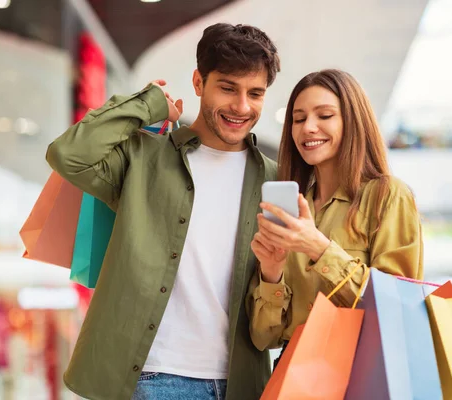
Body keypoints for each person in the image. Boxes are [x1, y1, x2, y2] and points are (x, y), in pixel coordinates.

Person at [46, 23, 280, 400]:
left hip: (243, 383)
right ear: (199, 82)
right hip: (154, 378)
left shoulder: (276, 180)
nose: (242, 106)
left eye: (256, 93)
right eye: (228, 88)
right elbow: (69, 155)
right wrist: (147, 104)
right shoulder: (145, 158)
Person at [246, 69, 423, 358]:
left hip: (360, 373)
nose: (308, 128)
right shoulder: (294, 210)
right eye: (299, 119)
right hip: (295, 375)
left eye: (324, 116)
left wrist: (318, 248)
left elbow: (398, 306)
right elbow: (264, 337)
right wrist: (272, 272)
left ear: (353, 122)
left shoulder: (387, 196)